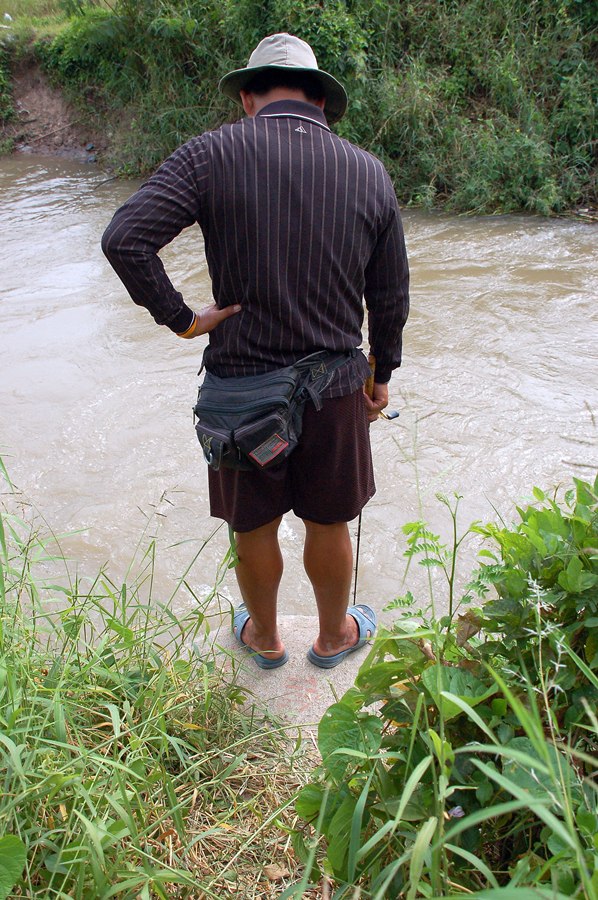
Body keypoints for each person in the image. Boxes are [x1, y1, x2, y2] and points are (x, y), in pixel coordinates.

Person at [102, 33, 409, 670]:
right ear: (322, 100)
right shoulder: (368, 172)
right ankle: (334, 639)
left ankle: (264, 640)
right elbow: (390, 296)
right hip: (334, 387)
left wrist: (184, 319)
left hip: (241, 390)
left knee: (253, 526)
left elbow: (126, 239)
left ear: (247, 97)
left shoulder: (209, 154)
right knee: (330, 522)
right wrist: (381, 376)